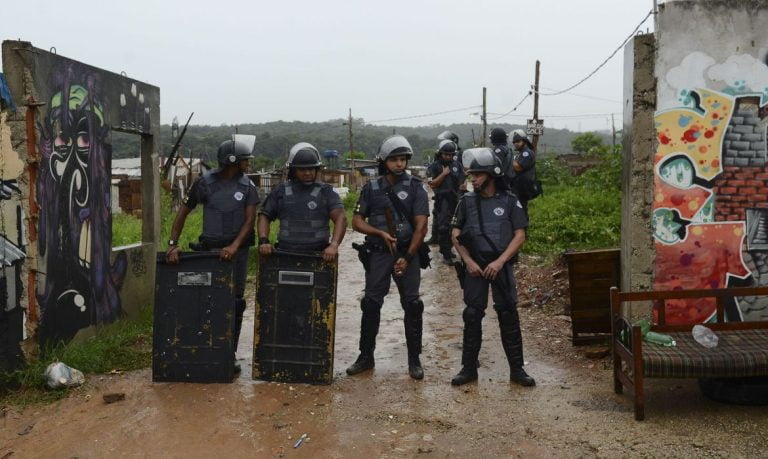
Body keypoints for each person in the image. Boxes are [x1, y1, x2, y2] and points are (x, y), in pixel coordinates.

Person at [166, 136, 260, 374]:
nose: (248, 164)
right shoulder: (204, 183)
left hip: (237, 253)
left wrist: (234, 246)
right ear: (232, 161)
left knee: (236, 301)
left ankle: (230, 352)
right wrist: (172, 243)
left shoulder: (248, 186)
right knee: (207, 299)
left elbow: (250, 221)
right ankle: (205, 347)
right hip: (210, 251)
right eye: (244, 160)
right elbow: (183, 213)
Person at [450, 147, 535, 387]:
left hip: (501, 266)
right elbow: (455, 235)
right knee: (472, 314)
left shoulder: (509, 201)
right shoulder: (466, 202)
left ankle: (517, 371)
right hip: (475, 267)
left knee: (508, 314)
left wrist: (500, 262)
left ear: (491, 174)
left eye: (477, 174)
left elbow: (520, 235)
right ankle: (468, 369)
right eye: (471, 175)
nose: (473, 179)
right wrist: (468, 262)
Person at [347, 135, 429, 380]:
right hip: (379, 254)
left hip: (408, 254)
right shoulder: (371, 188)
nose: (400, 164)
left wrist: (408, 256)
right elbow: (357, 221)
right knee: (371, 303)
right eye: (394, 159)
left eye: (403, 159)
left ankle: (414, 360)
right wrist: (379, 232)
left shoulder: (416, 187)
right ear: (384, 161)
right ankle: (365, 357)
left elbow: (422, 226)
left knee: (413, 305)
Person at [257, 142, 347, 260]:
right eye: (302, 169)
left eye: (311, 169)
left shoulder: (327, 192)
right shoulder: (281, 190)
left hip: (319, 254)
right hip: (285, 253)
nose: (307, 173)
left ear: (316, 169)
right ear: (294, 170)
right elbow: (264, 216)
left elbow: (341, 218)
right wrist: (264, 241)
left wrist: (334, 245)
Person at [427, 139, 465, 264]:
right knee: (443, 227)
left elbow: (461, 180)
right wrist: (443, 174)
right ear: (440, 154)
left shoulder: (456, 164)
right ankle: (446, 254)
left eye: (451, 155)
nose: (448, 157)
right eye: (446, 154)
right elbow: (432, 184)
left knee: (455, 226)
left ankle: (450, 249)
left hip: (456, 199)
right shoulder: (435, 166)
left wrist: (463, 186)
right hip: (442, 200)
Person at [506, 129, 539, 217]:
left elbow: (518, 167)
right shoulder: (521, 154)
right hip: (519, 186)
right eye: (514, 142)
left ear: (524, 141)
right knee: (518, 207)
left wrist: (508, 157)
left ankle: (523, 227)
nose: (516, 143)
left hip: (523, 186)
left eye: (518, 141)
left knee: (521, 207)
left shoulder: (527, 153)